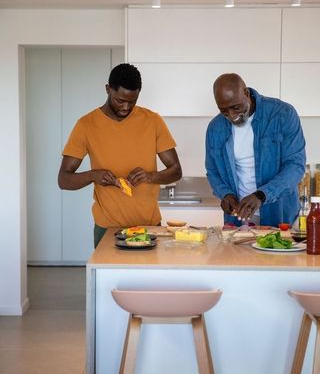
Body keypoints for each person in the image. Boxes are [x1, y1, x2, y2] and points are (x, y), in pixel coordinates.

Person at [58, 63, 182, 247]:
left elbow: (176, 171)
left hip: (149, 226)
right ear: (108, 89)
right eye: (119, 101)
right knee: (107, 277)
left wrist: (151, 176)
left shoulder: (153, 121)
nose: (126, 107)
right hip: (107, 228)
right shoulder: (86, 125)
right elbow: (64, 180)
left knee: (148, 277)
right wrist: (93, 175)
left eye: (132, 101)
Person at [205, 73, 306, 227]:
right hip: (238, 219)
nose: (231, 116)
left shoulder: (282, 114)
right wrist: (225, 194)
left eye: (236, 107)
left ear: (246, 93)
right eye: (224, 111)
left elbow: (295, 166)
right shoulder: (215, 128)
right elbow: (213, 171)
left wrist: (261, 195)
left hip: (279, 215)